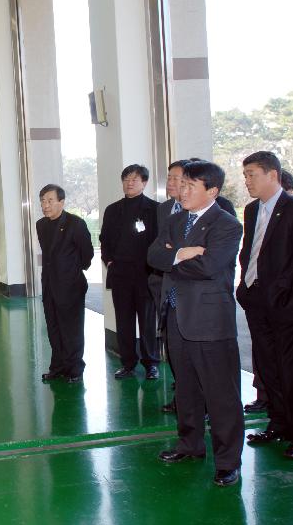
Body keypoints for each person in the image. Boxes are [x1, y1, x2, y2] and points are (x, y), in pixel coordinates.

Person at [147, 160, 244, 487]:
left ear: (212, 191)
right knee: (185, 388)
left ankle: (228, 460)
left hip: (209, 321)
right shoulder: (175, 221)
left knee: (220, 394)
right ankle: (190, 444)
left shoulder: (227, 225)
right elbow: (154, 256)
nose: (182, 190)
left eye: (190, 186)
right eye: (182, 184)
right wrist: (183, 253)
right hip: (175, 316)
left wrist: (176, 259)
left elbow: (210, 266)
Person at [236, 151, 293, 459]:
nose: (247, 181)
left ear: (273, 175)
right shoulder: (251, 210)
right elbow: (249, 252)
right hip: (256, 301)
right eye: (245, 175)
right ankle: (279, 423)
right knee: (268, 366)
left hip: (285, 305)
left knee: (291, 370)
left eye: (252, 175)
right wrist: (244, 287)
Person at [100, 164, 160, 380]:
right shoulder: (113, 210)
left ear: (144, 182)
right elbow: (104, 240)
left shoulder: (154, 209)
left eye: (135, 179)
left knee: (146, 322)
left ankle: (151, 363)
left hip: (145, 274)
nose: (130, 183)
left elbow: (159, 242)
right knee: (123, 321)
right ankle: (127, 363)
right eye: (126, 179)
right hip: (120, 274)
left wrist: (154, 268)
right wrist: (109, 262)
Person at [36, 184, 94, 383]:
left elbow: (87, 254)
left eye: (50, 200)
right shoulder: (41, 225)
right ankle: (58, 366)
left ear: (61, 202)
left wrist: (72, 270)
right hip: (49, 285)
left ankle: (75, 368)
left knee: (72, 328)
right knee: (54, 327)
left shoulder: (75, 223)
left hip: (71, 285)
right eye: (42, 201)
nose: (45, 205)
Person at [149, 160, 189, 413]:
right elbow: (156, 251)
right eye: (169, 178)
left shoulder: (213, 210)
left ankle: (195, 400)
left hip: (192, 292)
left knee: (193, 352)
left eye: (177, 179)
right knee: (172, 345)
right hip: (165, 286)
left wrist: (172, 253)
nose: (171, 183)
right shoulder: (164, 209)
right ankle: (182, 395)